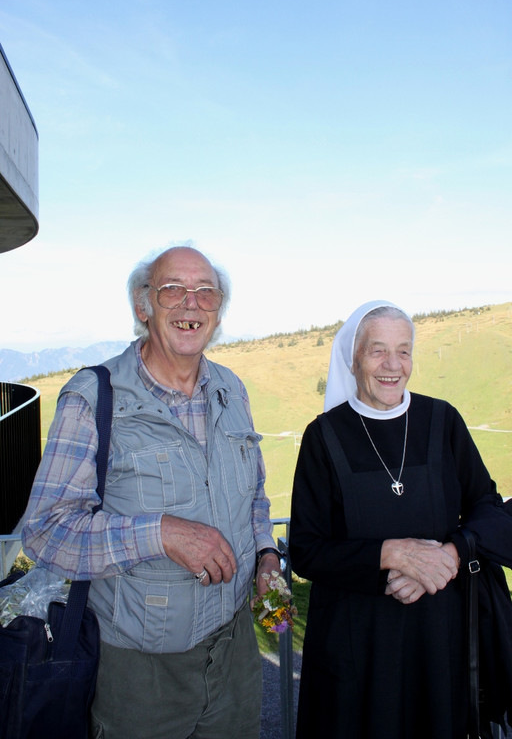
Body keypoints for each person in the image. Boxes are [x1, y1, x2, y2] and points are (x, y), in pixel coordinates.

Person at [22, 246, 282, 739]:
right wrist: (161, 533)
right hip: (140, 674)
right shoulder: (93, 398)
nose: (191, 303)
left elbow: (255, 497)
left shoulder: (232, 390)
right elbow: (46, 532)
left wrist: (267, 556)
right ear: (143, 306)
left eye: (206, 292)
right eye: (172, 290)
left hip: (235, 656)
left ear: (218, 310)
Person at [289, 300, 512, 739]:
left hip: (439, 639)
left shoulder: (443, 420)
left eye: (403, 351)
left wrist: (450, 555)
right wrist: (392, 554)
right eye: (378, 351)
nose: (393, 365)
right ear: (353, 359)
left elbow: (487, 505)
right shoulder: (324, 436)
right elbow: (306, 550)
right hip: (358, 647)